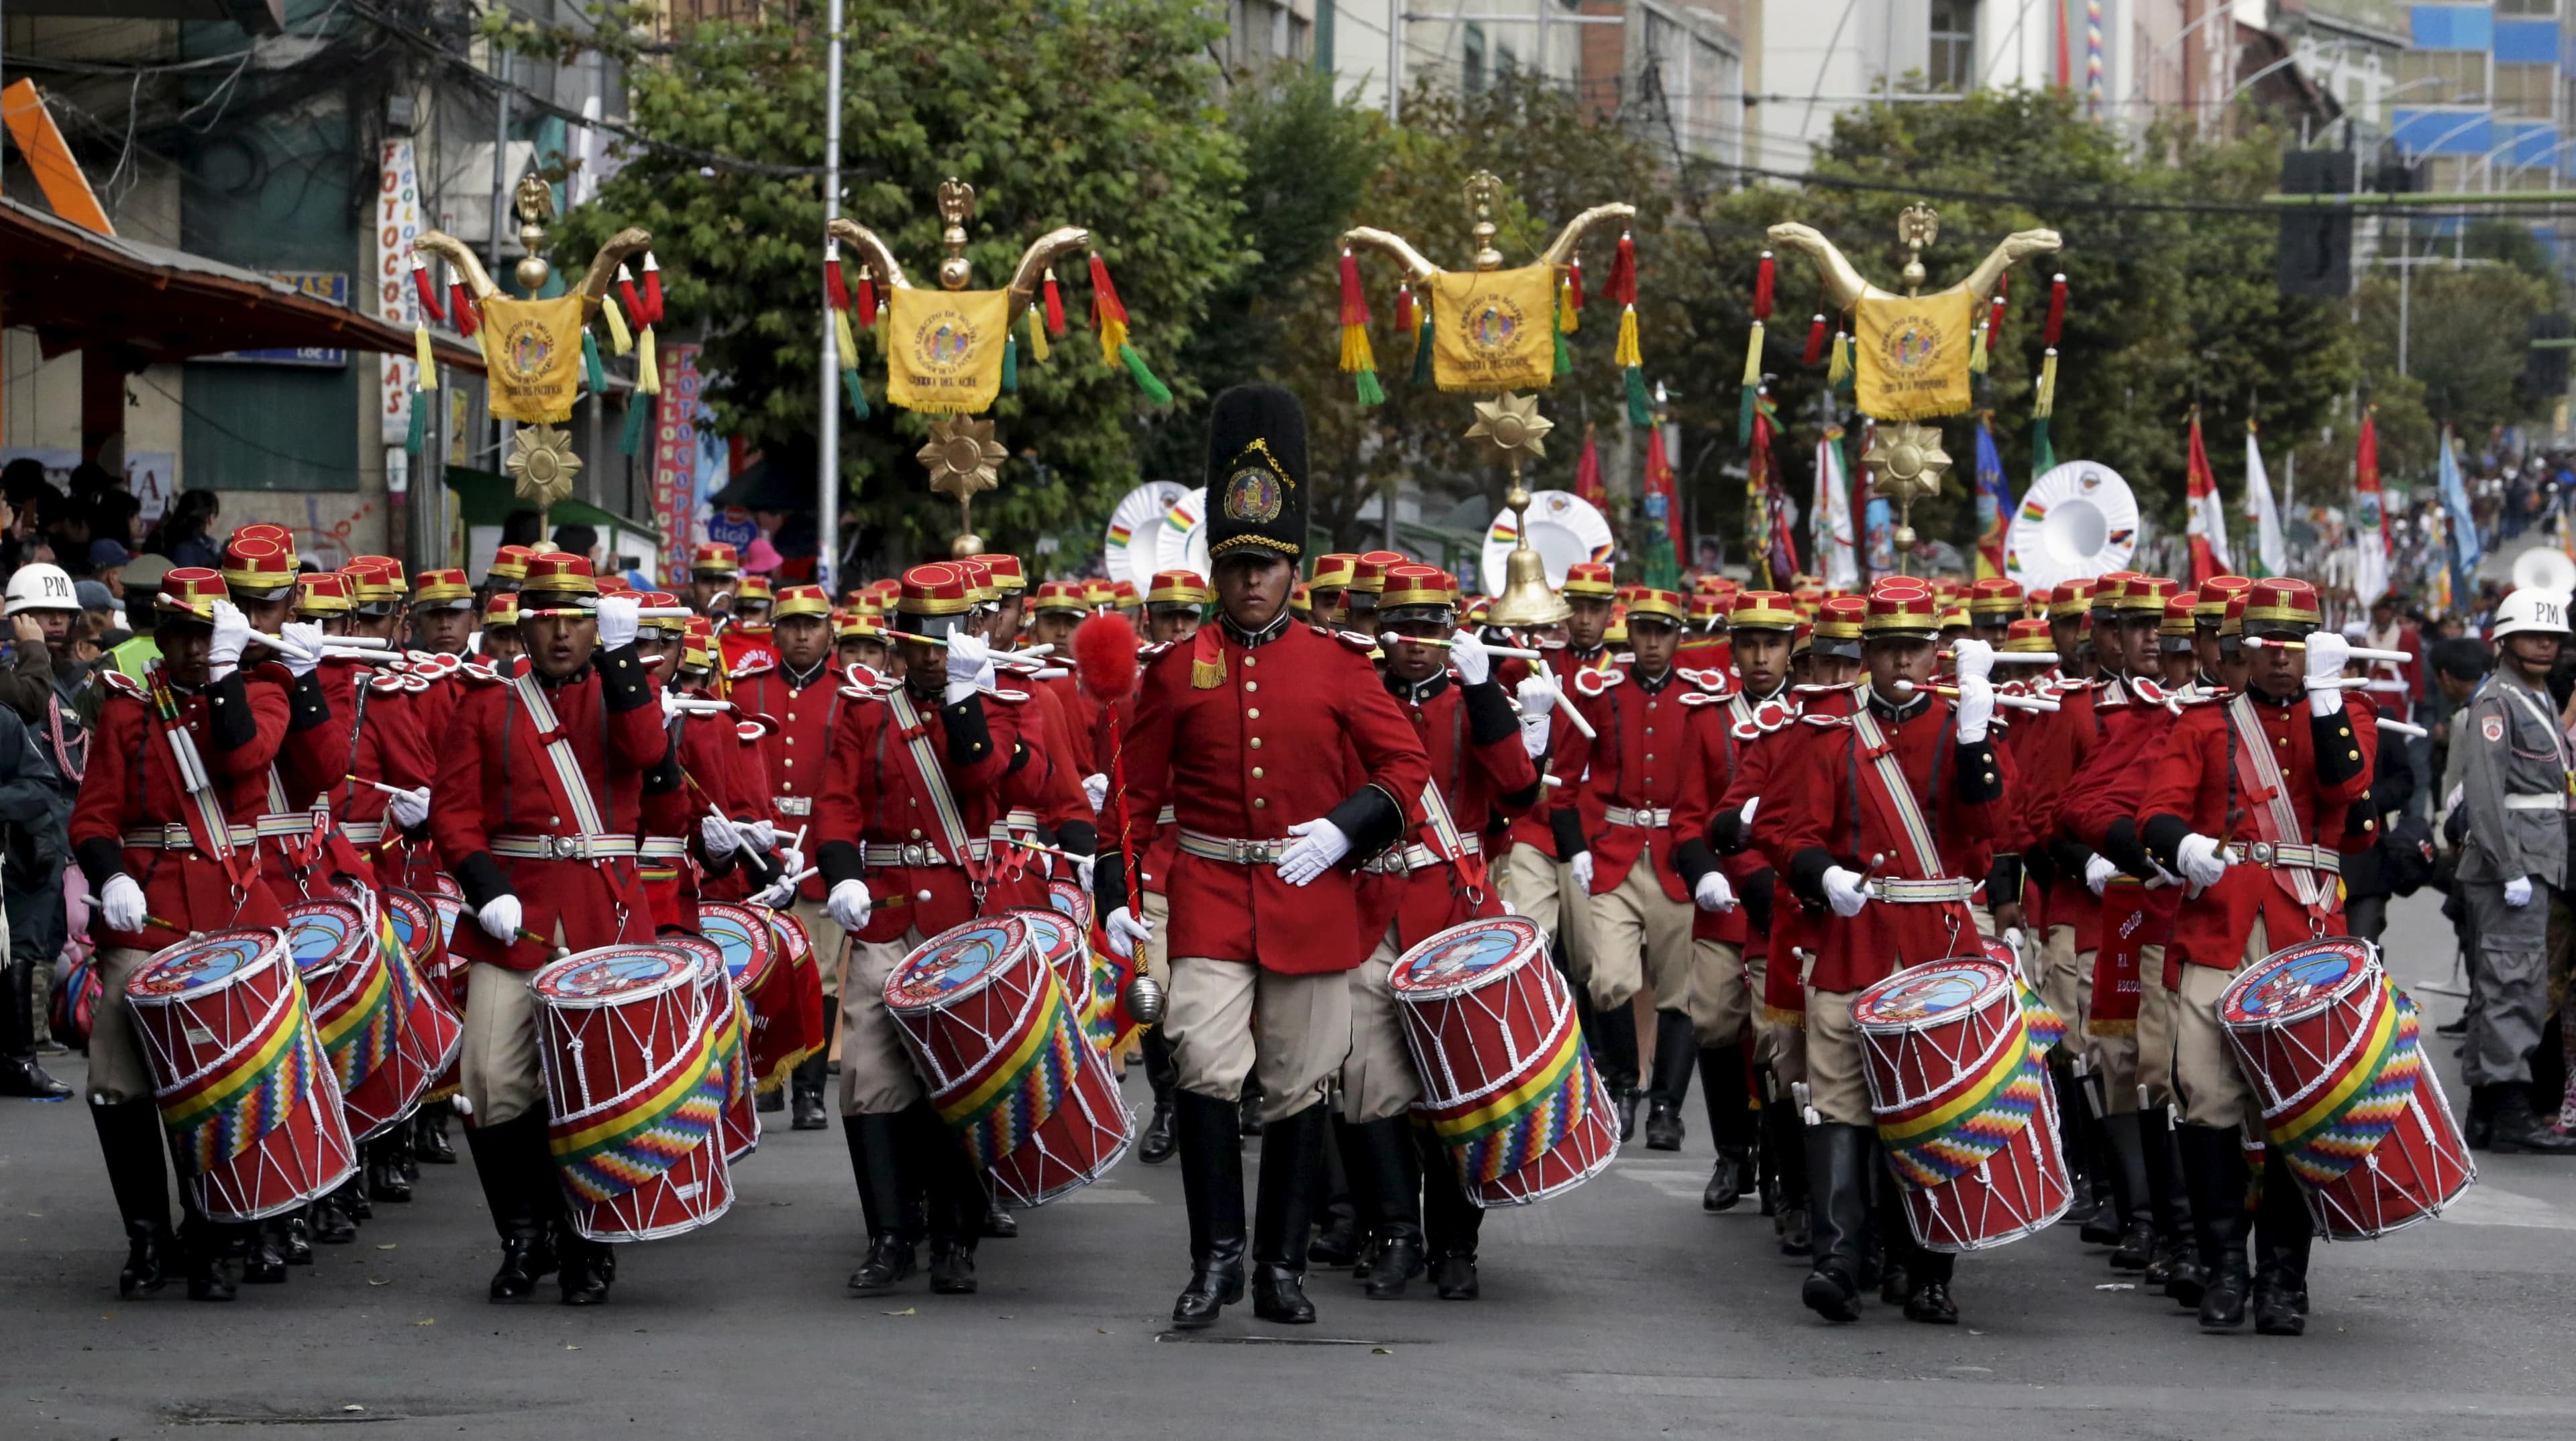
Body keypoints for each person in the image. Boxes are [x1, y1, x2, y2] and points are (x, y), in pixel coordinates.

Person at [1097, 384, 1430, 1329]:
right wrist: (1119, 890)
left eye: (1269, 566)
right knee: (1202, 1060)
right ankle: (1217, 1262)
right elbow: (1134, 796)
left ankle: (1282, 1267)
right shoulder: (1173, 672)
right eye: (1239, 565)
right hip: (1207, 890)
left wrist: (1346, 826)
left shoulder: (1340, 667)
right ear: (1216, 570)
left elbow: (1406, 768)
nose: (1253, 583)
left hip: (1311, 895)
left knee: (1297, 1081)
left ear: (1296, 570)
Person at [1768, 578, 2013, 1326]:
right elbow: (1787, 834)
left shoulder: (1958, 725)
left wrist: (1975, 739)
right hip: (1856, 934)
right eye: (1887, 648)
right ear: (1866, 654)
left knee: (1934, 1108)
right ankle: (1839, 1256)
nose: (1901, 660)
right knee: (1840, 1101)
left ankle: (1929, 1267)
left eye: (1914, 646)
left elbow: (1987, 833)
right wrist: (1824, 874)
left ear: (1935, 652)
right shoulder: (1828, 731)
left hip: (1938, 941)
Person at [2137, 577, 2376, 1335]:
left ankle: (2284, 1279)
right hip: (2221, 927)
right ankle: (2224, 1268)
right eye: (2268, 646)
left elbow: (2351, 794)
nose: (2281, 661)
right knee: (2206, 1100)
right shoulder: (2208, 722)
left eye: (2296, 645)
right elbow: (2156, 809)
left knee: (2295, 1113)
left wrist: (2329, 695)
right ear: (2242, 648)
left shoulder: (2348, 712)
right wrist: (2184, 845)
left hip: (2305, 935)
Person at [431, 554, 664, 1305]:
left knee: (597, 1090)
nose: (561, 633)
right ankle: (524, 1234)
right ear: (521, 623)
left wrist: (626, 661)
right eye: (546, 618)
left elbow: (646, 754)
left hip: (603, 914)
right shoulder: (486, 704)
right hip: (517, 915)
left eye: (576, 619)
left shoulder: (628, 694)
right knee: (492, 1081)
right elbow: (454, 812)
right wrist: (484, 884)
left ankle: (590, 1245)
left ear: (597, 625)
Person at [70, 568, 296, 1300]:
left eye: (210, 635)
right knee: (114, 1075)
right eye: (184, 636)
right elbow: (94, 817)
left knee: (225, 1084)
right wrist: (110, 877)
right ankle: (146, 1238)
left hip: (234, 914)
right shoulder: (130, 710)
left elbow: (243, 759)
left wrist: (230, 670)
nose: (197, 650)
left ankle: (215, 1233)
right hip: (152, 912)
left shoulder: (263, 692)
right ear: (161, 640)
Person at [812, 561, 1032, 1298]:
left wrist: (968, 696)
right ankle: (888, 1238)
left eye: (946, 643)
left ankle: (955, 1239)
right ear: (899, 650)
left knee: (960, 1083)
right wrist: (841, 871)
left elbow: (980, 779)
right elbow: (835, 801)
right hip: (885, 911)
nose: (933, 658)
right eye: (920, 645)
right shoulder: (863, 708)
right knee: (869, 1079)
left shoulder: (998, 706)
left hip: (963, 919)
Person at [1345, 564, 1540, 1299]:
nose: (1419, 644)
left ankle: (1457, 1241)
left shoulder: (1473, 702)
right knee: (1369, 1079)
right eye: (1406, 628)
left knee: (1460, 1085)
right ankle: (1396, 1231)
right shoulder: (1356, 697)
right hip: (1371, 905)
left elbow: (1519, 790)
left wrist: (1488, 691)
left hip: (1455, 907)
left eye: (1433, 628)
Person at [1552, 586, 1708, 1152]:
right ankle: (1622, 1086)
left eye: (1662, 631)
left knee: (1680, 992)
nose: (1650, 642)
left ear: (1677, 636)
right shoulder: (1601, 691)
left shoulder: (1699, 696)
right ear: (1629, 631)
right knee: (1607, 976)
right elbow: (1565, 781)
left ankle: (1666, 1106)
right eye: (1642, 630)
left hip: (1676, 852)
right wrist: (1577, 851)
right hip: (1615, 849)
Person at [1672, 589, 1802, 1215]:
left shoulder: (1811, 715)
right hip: (1723, 895)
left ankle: (1782, 1162)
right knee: (1715, 1023)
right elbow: (1688, 817)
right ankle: (1732, 1152)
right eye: (1748, 644)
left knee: (1776, 1035)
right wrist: (1700, 874)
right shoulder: (1706, 718)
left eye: (1772, 645)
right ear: (1733, 650)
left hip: (1787, 899)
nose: (1759, 657)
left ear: (1790, 651)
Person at [2450, 587, 2576, 1155]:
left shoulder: (2538, 695)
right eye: (2533, 635)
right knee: (2512, 988)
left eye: (2552, 637)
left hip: (2536, 857)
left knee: (2504, 984)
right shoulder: (2496, 703)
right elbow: (2484, 793)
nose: (2545, 646)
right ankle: (2509, 1112)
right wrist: (2507, 868)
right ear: (2504, 640)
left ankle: (2484, 1112)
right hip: (2514, 864)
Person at [724, 582, 842, 1128]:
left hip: (818, 851)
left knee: (819, 978)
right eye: (792, 624)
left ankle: (810, 1093)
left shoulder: (849, 692)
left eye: (812, 624)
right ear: (774, 632)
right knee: (757, 971)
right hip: (759, 849)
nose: (802, 634)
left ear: (830, 631)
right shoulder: (746, 691)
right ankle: (764, 1081)